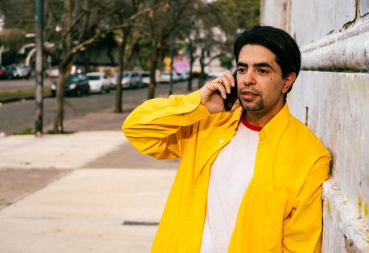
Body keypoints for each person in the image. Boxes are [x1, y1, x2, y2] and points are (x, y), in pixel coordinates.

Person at [122, 25, 331, 253]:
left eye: (262, 71)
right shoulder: (207, 125)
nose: (247, 79)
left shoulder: (309, 155)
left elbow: (301, 246)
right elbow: (137, 129)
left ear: (287, 81)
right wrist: (198, 103)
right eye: (242, 69)